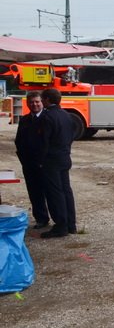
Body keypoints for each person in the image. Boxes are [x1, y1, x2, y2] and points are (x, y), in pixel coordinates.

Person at [37, 88, 77, 239]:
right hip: (64, 156)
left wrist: (40, 159)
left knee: (55, 193)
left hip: (51, 159)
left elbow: (44, 141)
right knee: (66, 190)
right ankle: (71, 224)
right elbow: (72, 134)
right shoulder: (66, 115)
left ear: (47, 100)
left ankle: (61, 226)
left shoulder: (47, 117)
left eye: (42, 99)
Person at [14, 91, 49, 228]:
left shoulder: (47, 118)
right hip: (29, 164)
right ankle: (41, 218)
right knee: (34, 192)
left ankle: (59, 219)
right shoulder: (24, 120)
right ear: (27, 103)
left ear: (42, 103)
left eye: (37, 102)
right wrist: (23, 158)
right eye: (31, 102)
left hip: (45, 164)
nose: (34, 104)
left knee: (50, 192)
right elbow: (19, 140)